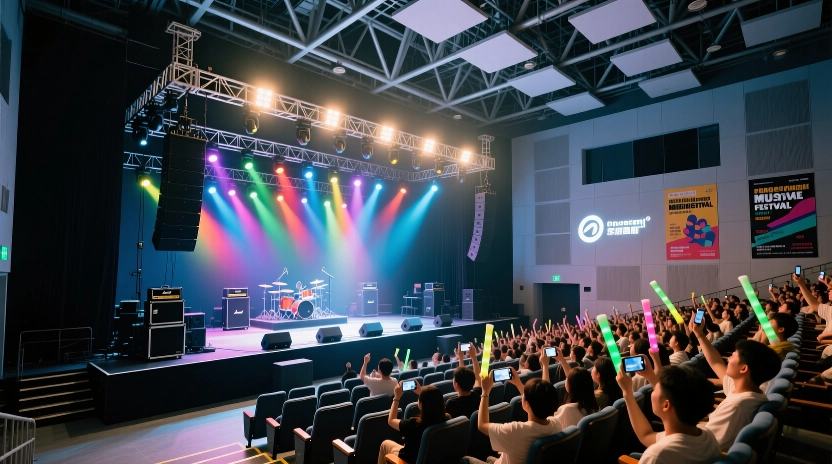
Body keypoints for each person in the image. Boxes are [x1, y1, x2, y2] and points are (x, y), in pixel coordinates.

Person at [690, 317, 780, 451]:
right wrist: (700, 334)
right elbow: (716, 362)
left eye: (733, 356)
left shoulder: (736, 407)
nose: (728, 358)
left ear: (743, 369)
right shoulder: (746, 389)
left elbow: (705, 447)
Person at [616, 362, 722, 464]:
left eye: (655, 390)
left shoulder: (657, 455)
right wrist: (629, 393)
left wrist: (627, 392)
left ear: (666, 405)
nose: (653, 391)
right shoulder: (707, 436)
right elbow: (646, 435)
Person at [460, 367, 561, 464]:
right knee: (489, 458)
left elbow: (482, 425)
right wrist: (518, 383)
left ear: (527, 404)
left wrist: (485, 392)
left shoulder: (516, 430)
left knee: (466, 460)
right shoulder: (556, 424)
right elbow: (535, 401)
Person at [379, 382, 449, 464]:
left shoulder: (414, 424)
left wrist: (396, 397)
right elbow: (432, 403)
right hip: (432, 458)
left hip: (409, 460)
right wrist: (422, 393)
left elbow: (391, 420)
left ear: (420, 404)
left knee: (385, 444)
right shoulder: (447, 418)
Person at [544, 350, 598, 427]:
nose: (565, 380)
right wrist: (562, 360)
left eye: (567, 379)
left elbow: (550, 426)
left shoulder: (567, 410)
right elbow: (575, 378)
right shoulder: (594, 405)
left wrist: (545, 365)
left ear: (572, 385)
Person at [446, 344, 482, 418]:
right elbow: (478, 378)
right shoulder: (477, 394)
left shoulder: (451, 404)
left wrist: (461, 358)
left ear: (456, 385)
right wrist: (474, 357)